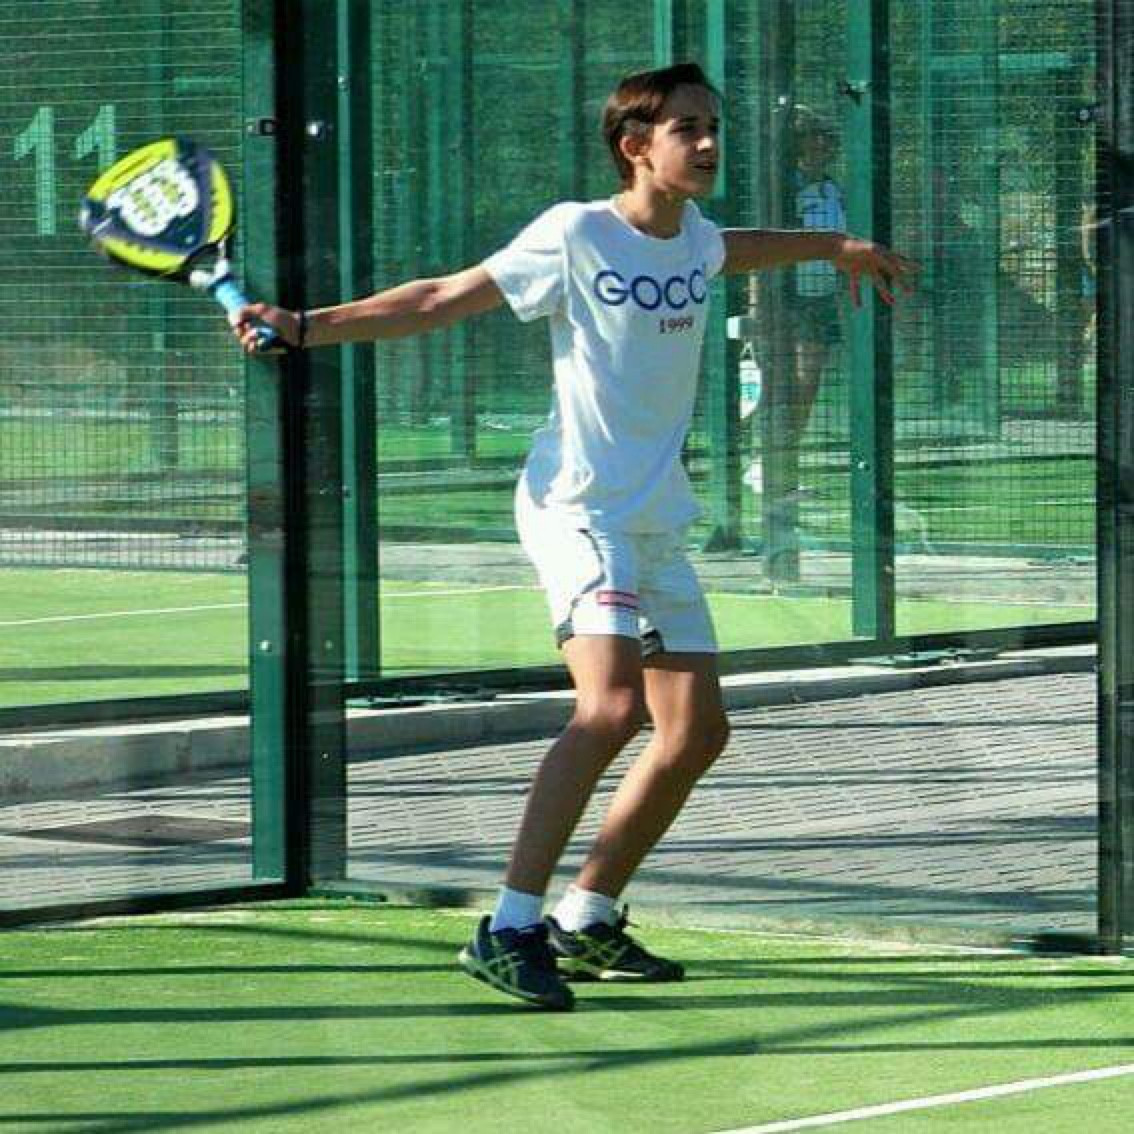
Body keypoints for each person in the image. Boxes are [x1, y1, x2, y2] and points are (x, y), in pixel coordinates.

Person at [232, 62, 917, 1012]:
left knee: (696, 731)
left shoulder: (696, 238)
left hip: (655, 515)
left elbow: (739, 249)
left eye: (712, 126)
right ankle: (507, 927)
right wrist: (308, 327)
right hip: (578, 507)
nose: (708, 143)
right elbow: (441, 297)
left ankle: (585, 916)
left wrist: (835, 245)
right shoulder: (575, 233)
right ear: (636, 146)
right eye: (687, 129)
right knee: (611, 708)